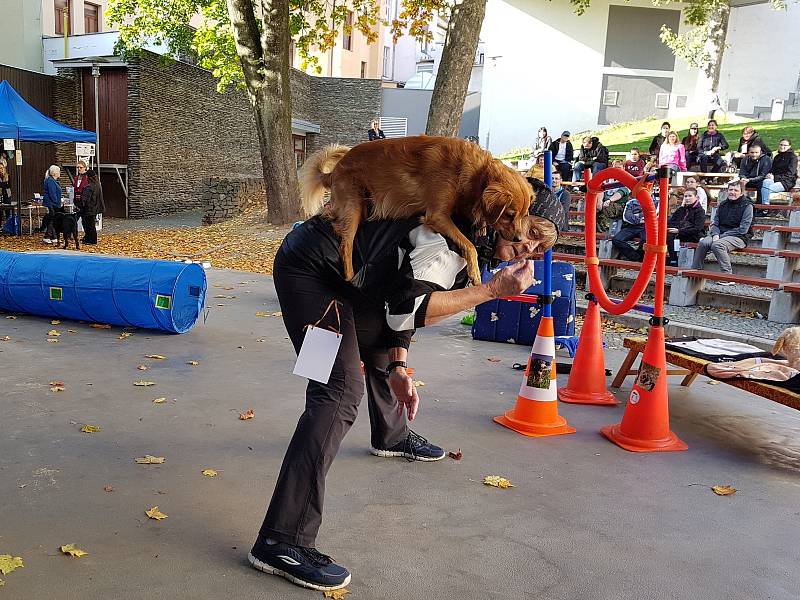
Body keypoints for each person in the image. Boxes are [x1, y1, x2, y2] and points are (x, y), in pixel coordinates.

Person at [249, 194, 564, 592]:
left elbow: (398, 296)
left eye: (542, 247)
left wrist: (399, 365)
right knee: (338, 390)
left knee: (382, 348)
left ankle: (391, 436)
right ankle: (281, 540)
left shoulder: (470, 232)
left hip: (351, 275)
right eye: (531, 233)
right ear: (509, 215)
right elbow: (408, 309)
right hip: (311, 272)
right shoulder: (448, 241)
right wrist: (492, 290)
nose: (529, 249)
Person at [690, 180, 752, 282]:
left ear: (741, 193)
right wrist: (715, 234)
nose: (732, 192)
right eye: (730, 189)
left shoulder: (747, 206)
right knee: (703, 243)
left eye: (736, 190)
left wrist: (721, 236)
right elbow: (715, 223)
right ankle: (696, 271)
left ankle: (727, 276)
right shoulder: (723, 205)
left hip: (739, 236)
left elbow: (743, 229)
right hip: (720, 234)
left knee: (717, 245)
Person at [666, 188, 706, 266]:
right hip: (678, 233)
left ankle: (673, 260)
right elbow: (671, 221)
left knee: (670, 236)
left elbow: (697, 229)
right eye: (685, 196)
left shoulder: (700, 211)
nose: (687, 198)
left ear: (696, 197)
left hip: (692, 235)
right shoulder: (681, 209)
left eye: (690, 196)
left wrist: (679, 231)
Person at [611, 194, 648, 261]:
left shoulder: (654, 201)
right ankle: (635, 257)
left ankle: (641, 258)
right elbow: (626, 217)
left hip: (647, 226)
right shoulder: (631, 202)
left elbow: (652, 215)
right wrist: (640, 219)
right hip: (631, 226)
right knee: (617, 240)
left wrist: (636, 215)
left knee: (646, 240)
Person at [761, 138, 798, 205]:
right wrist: (769, 174)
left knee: (765, 188)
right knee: (765, 182)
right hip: (775, 179)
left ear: (789, 146)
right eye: (781, 144)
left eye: (785, 145)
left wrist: (774, 177)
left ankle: (765, 207)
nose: (782, 146)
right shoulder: (777, 157)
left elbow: (790, 174)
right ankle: (764, 206)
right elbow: (773, 170)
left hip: (786, 182)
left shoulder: (793, 157)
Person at [76, 169, 104, 245]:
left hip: (89, 209)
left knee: (89, 225)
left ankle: (90, 240)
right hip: (95, 208)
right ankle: (91, 240)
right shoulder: (97, 185)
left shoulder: (89, 187)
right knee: (91, 225)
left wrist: (80, 206)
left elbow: (84, 199)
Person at [42, 165, 63, 244]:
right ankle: (47, 236)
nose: (59, 173)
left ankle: (54, 237)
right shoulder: (50, 181)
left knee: (54, 220)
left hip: (53, 203)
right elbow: (52, 193)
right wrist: (58, 202)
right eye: (58, 172)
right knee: (52, 220)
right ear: (54, 173)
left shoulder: (53, 181)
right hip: (51, 203)